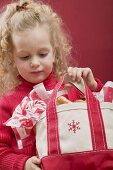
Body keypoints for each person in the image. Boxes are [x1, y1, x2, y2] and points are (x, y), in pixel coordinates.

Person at [0, 0, 103, 169]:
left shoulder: (71, 86)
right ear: (12, 59)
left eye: (42, 54)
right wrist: (22, 163)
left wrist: (92, 87)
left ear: (54, 53)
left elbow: (99, 121)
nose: (35, 63)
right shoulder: (7, 101)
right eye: (25, 57)